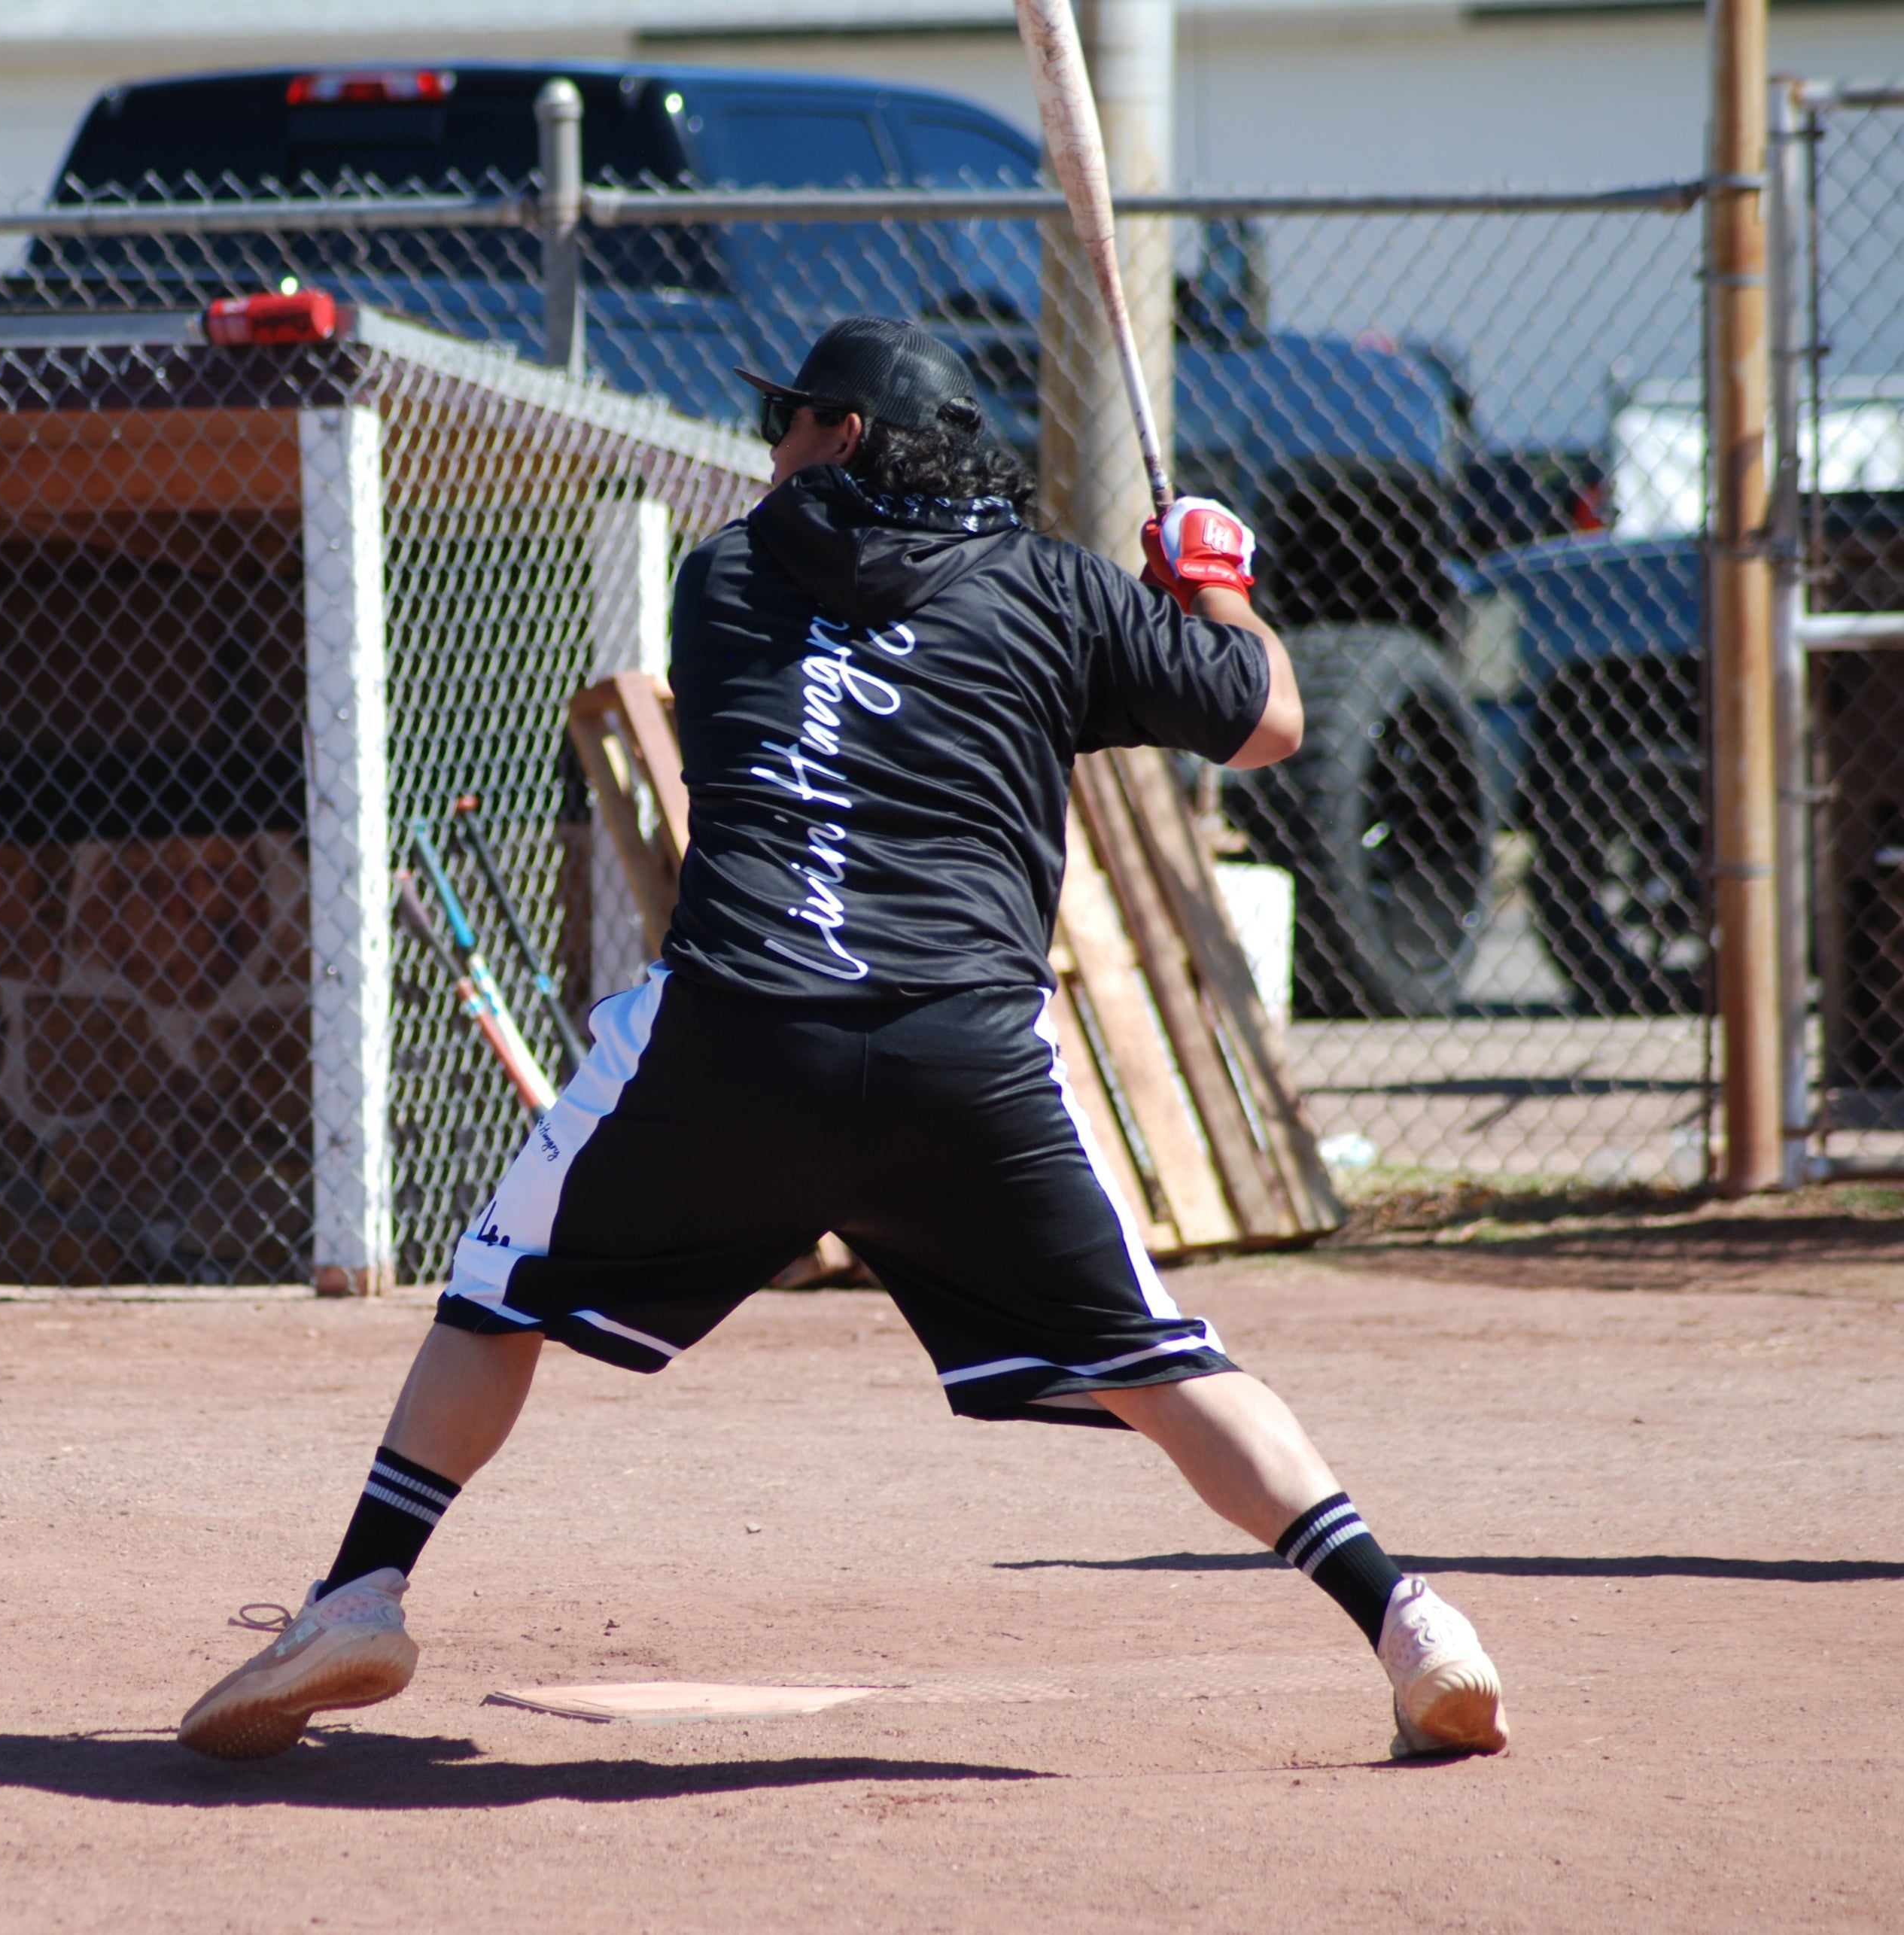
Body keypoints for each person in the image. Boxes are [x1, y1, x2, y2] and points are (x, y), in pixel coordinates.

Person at [176, 317, 1508, 1766]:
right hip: (966, 1062)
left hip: (740, 1042)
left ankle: (363, 1592)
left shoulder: (730, 575)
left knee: (499, 1287)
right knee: (1158, 1363)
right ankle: (1410, 1623)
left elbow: (853, 581)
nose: (772, 449)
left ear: (851, 436)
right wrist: (1212, 590)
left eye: (795, 423)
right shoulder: (1054, 592)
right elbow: (1269, 725)